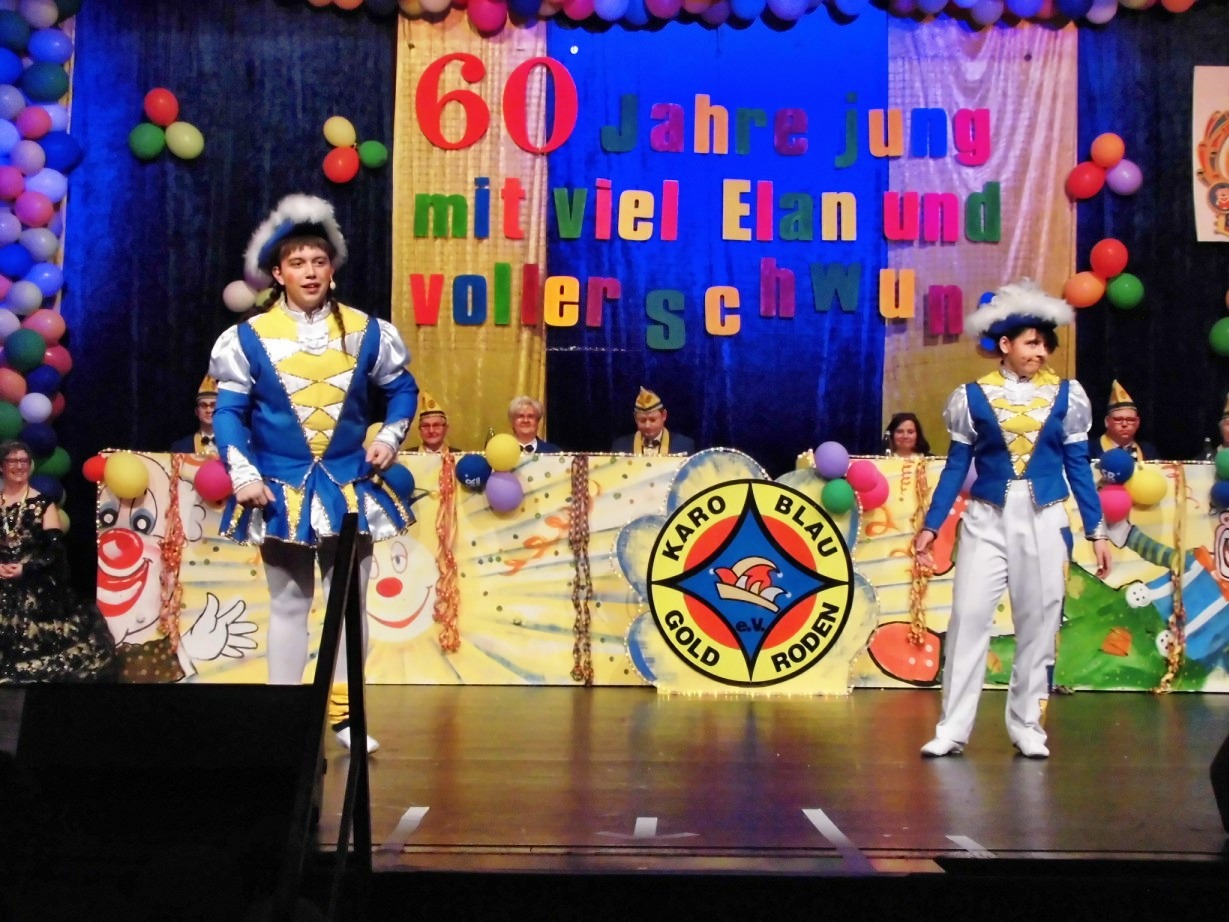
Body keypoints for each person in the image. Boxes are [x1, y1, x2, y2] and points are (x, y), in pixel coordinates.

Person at [209, 194, 419, 754]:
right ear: (278, 273)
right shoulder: (248, 338)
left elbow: (402, 391)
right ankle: (284, 722)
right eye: (297, 262)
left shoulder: (369, 331)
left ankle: (346, 716)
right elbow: (229, 413)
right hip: (280, 486)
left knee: (350, 604)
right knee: (288, 602)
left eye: (318, 262)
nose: (309, 272)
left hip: (349, 483)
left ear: (331, 270)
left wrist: (389, 436)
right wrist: (242, 471)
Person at [912, 280, 1111, 760]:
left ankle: (1027, 726)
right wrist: (932, 525)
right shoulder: (971, 396)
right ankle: (952, 728)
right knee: (968, 619)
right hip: (986, 518)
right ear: (1005, 344)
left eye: (1045, 345)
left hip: (1043, 516)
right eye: (1031, 343)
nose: (1040, 352)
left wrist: (1096, 530)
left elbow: (1078, 466)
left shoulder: (1067, 395)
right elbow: (956, 467)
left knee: (1038, 624)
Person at [0, 440, 115, 683]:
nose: (19, 466)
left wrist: (26, 568)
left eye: (24, 461)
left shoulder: (43, 504)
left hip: (32, 579)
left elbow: (55, 552)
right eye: (13, 461)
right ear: (2, 466)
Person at [611, 387, 696, 456]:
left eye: (653, 420)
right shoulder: (620, 446)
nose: (647, 425)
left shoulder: (684, 446)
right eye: (642, 420)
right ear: (635, 418)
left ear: (664, 416)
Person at [1090, 380, 1157, 461]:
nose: (1124, 424)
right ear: (1107, 421)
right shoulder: (1090, 450)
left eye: (1130, 420)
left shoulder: (1148, 452)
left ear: (1137, 422)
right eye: (1118, 419)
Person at [170, 375, 219, 455]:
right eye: (203, 405)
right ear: (196, 411)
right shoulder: (180, 448)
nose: (208, 410)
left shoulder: (233, 444)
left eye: (213, 405)